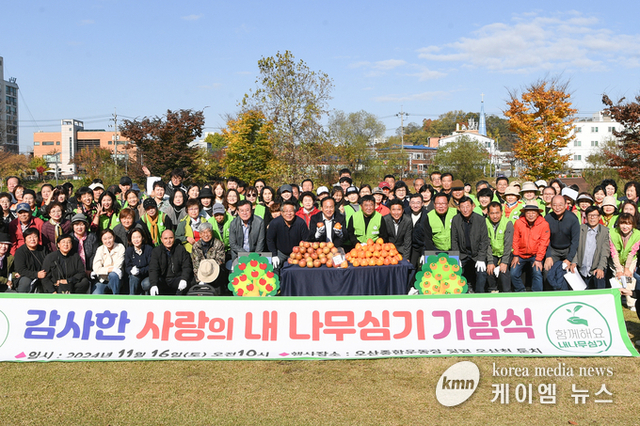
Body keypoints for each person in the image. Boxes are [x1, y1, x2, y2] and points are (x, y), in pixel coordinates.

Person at [451, 196, 490, 293]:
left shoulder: (480, 219)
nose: (465, 210)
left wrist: (481, 258)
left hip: (476, 254)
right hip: (462, 253)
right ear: (459, 208)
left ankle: (479, 295)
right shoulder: (456, 219)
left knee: (481, 273)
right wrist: (456, 257)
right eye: (462, 207)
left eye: (467, 206)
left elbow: (484, 241)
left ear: (473, 206)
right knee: (454, 272)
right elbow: (454, 240)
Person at [511, 201, 550, 292]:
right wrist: (516, 255)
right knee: (513, 273)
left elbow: (544, 242)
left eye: (533, 212)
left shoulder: (544, 224)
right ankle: (521, 291)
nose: (531, 215)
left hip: (535, 255)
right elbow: (515, 239)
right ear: (524, 213)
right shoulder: (518, 223)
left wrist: (539, 259)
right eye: (528, 212)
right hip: (520, 254)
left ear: (538, 213)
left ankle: (537, 294)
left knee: (537, 273)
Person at [544, 195, 581, 290]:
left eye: (560, 205)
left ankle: (571, 294)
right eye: (555, 205)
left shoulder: (573, 219)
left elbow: (575, 241)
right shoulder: (547, 218)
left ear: (566, 205)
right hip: (553, 248)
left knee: (572, 270)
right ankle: (549, 293)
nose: (557, 208)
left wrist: (569, 259)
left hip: (568, 249)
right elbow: (545, 239)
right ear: (551, 206)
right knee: (547, 269)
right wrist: (548, 256)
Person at [569, 206, 610, 290]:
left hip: (595, 268)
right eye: (590, 215)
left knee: (599, 281)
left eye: (595, 215)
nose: (592, 218)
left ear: (599, 217)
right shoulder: (580, 229)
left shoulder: (605, 231)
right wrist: (574, 262)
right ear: (586, 217)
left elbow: (605, 252)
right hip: (581, 267)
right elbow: (574, 246)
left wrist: (600, 267)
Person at [609, 213, 640, 309]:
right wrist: (619, 269)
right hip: (616, 259)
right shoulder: (613, 233)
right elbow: (613, 252)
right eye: (622, 223)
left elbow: (632, 253)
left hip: (630, 260)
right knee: (617, 279)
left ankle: (631, 303)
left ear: (632, 224)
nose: (625, 226)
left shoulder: (638, 234)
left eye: (628, 224)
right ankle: (616, 302)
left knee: (629, 278)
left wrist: (626, 268)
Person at [266, 200, 309, 270]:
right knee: (274, 267)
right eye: (285, 211)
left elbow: (306, 240)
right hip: (280, 251)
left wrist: (301, 253)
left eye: (291, 211)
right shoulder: (275, 223)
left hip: (296, 252)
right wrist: (274, 255)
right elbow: (270, 239)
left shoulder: (300, 223)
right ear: (281, 212)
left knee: (298, 269)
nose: (288, 213)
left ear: (295, 212)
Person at [149, 229, 193, 295]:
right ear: (161, 239)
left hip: (177, 278)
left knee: (192, 281)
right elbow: (153, 268)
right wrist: (153, 284)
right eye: (165, 238)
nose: (168, 241)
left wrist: (184, 278)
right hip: (163, 279)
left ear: (174, 238)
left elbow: (186, 266)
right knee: (148, 284)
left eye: (171, 238)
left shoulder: (180, 249)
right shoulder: (156, 251)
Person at [485, 202, 513, 293]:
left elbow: (508, 244)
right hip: (492, 253)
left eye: (497, 213)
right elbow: (487, 243)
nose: (495, 216)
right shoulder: (485, 223)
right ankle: (493, 290)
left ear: (501, 212)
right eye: (492, 213)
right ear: (488, 213)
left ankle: (507, 293)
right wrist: (490, 261)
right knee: (489, 269)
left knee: (503, 271)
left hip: (506, 253)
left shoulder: (508, 223)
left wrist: (504, 262)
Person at [191, 222, 226, 294]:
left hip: (215, 273)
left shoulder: (219, 244)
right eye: (203, 232)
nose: (206, 235)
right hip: (202, 274)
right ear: (200, 234)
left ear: (212, 232)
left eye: (208, 231)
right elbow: (196, 265)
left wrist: (210, 271)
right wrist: (200, 280)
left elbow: (220, 260)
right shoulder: (196, 246)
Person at [13, 228, 47, 293]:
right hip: (27, 276)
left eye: (35, 237)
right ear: (25, 240)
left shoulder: (43, 249)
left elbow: (49, 263)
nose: (32, 240)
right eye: (29, 237)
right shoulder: (20, 252)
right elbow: (21, 269)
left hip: (43, 275)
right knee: (26, 281)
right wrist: (36, 274)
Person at [92, 229, 125, 294]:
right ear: (101, 240)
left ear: (114, 237)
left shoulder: (120, 247)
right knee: (96, 295)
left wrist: (104, 269)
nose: (108, 241)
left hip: (116, 280)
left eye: (110, 238)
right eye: (105, 239)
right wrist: (111, 268)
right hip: (102, 280)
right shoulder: (100, 249)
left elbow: (117, 267)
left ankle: (116, 297)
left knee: (113, 275)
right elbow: (96, 268)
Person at [124, 228, 153, 295]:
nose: (136, 240)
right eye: (133, 237)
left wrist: (140, 270)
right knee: (133, 278)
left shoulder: (149, 249)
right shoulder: (129, 250)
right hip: (134, 276)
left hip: (147, 275)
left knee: (146, 284)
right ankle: (132, 298)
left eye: (138, 237)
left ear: (142, 238)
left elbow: (151, 266)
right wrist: (131, 270)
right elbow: (127, 266)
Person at [70, 213, 98, 278]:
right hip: (74, 272)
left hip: (90, 270)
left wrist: (90, 269)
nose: (79, 227)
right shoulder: (70, 238)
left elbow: (95, 254)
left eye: (82, 224)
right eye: (76, 225)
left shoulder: (92, 237)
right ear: (73, 226)